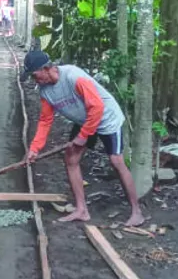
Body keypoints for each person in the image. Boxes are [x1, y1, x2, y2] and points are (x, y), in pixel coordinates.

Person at [23, 50, 145, 227]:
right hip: (84, 119)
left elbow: (97, 107)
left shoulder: (73, 76)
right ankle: (81, 210)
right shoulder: (45, 91)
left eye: (35, 75)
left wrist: (82, 137)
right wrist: (34, 149)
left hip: (106, 119)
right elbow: (45, 120)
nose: (35, 80)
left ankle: (137, 212)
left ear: (46, 68)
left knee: (116, 161)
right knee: (71, 159)